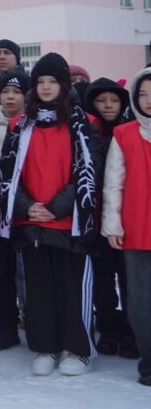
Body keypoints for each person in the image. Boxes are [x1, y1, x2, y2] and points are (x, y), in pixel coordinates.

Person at [0, 53, 99, 376]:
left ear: (64, 85)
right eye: (40, 81)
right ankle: (45, 345)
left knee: (72, 288)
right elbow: (11, 172)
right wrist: (28, 206)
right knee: (39, 290)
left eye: (52, 81)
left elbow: (88, 170)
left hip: (69, 221)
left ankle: (78, 349)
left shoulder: (83, 124)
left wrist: (55, 208)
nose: (46, 87)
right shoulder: (20, 124)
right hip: (32, 221)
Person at [101, 68, 151, 386]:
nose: (148, 100)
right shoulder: (125, 133)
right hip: (137, 226)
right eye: (143, 94)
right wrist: (113, 224)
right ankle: (149, 357)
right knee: (139, 300)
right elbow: (112, 185)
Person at [86, 76, 138, 358]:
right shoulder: (85, 134)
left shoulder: (131, 132)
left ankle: (131, 329)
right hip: (94, 221)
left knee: (130, 279)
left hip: (126, 220)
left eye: (114, 100)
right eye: (101, 100)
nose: (108, 105)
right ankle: (107, 327)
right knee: (102, 280)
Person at [0, 68, 31, 351]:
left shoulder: (35, 125)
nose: (10, 97)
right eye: (6, 92)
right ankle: (7, 325)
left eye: (17, 92)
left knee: (30, 272)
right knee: (2, 272)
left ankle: (34, 319)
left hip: (29, 212)